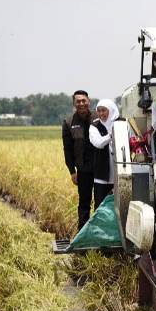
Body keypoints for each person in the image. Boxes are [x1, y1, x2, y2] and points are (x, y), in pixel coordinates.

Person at [62, 90, 97, 230]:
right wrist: (72, 171)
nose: (81, 103)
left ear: (88, 101)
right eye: (78, 101)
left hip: (101, 169)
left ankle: (100, 234)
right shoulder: (69, 122)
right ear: (74, 104)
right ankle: (83, 234)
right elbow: (67, 149)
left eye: (84, 100)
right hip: (82, 170)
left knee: (101, 202)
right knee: (84, 203)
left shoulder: (98, 116)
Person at [89, 99, 119, 209]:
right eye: (99, 111)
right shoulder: (94, 126)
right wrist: (111, 134)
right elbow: (98, 143)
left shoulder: (121, 123)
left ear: (111, 110)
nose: (101, 114)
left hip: (118, 175)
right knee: (100, 207)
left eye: (104, 110)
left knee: (117, 208)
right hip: (101, 176)